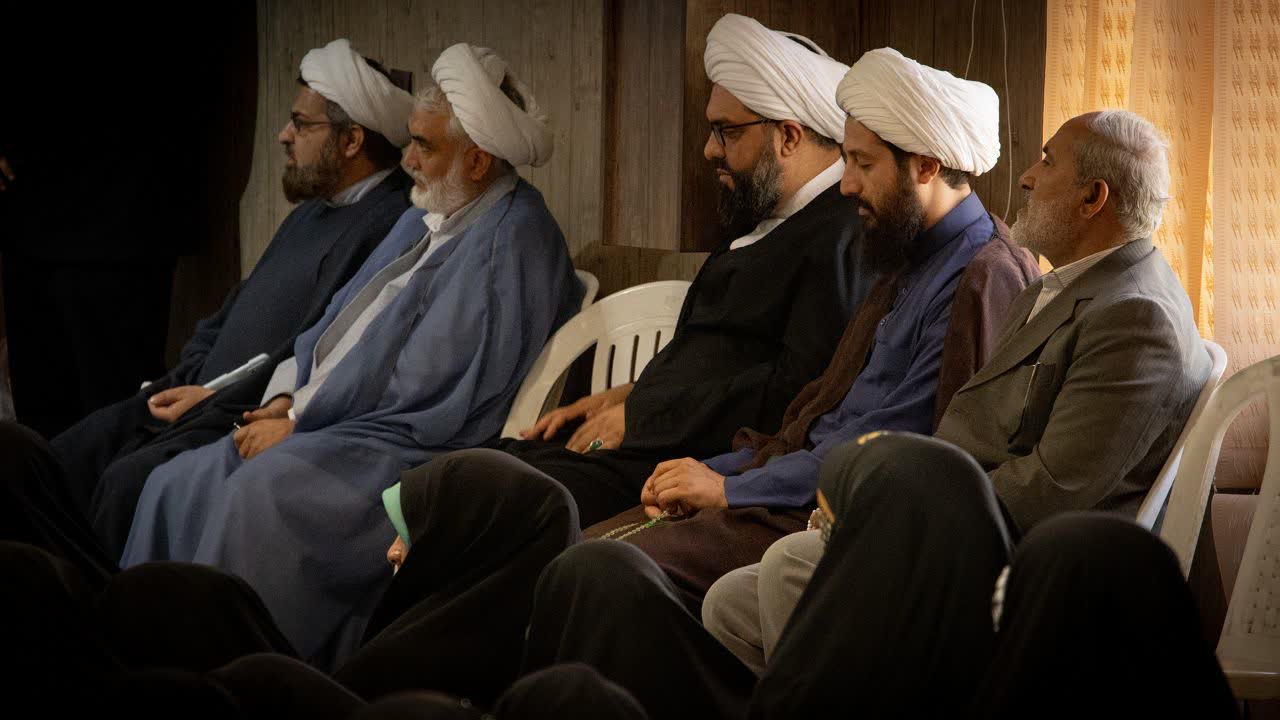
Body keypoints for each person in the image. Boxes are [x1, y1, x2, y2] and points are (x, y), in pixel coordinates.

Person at [118, 43, 583, 670]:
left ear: (477, 160)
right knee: (173, 483)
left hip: (403, 444)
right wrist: (289, 395)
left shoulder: (514, 240)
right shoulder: (427, 213)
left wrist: (302, 421)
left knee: (258, 497)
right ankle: (148, 666)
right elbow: (338, 320)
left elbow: (428, 390)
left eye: (424, 147)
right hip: (336, 417)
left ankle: (238, 677)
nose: (407, 160)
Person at [705, 107, 1214, 677]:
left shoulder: (1137, 316)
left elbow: (1053, 490)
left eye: (1047, 162)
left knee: (788, 570)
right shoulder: (1067, 286)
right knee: (730, 605)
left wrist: (901, 511)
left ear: (1093, 197)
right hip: (965, 526)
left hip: (1015, 566)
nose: (1026, 177)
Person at [428, 12, 873, 529]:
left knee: (484, 496)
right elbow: (714, 356)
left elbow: (792, 396)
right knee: (469, 467)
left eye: (725, 132)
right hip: (650, 437)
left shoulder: (841, 236)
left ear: (789, 137)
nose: (709, 150)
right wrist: (627, 394)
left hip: (687, 468)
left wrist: (642, 416)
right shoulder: (762, 211)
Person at [49, 38, 415, 559]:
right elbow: (231, 311)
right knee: (62, 455)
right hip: (194, 393)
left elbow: (310, 345)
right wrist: (188, 373)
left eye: (301, 124)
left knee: (126, 482)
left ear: (352, 140)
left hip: (238, 411)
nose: (284, 135)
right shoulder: (312, 212)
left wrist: (213, 395)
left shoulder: (387, 224)